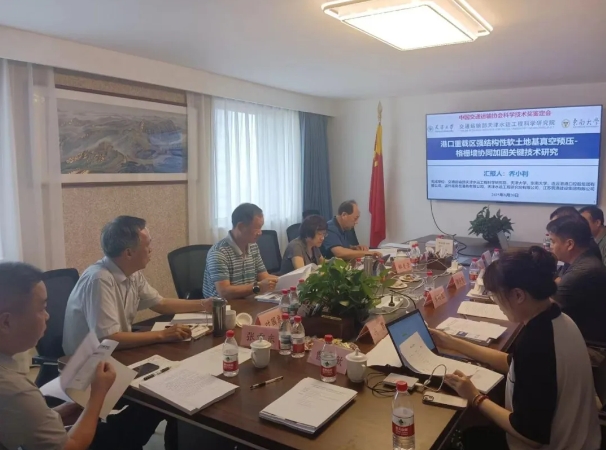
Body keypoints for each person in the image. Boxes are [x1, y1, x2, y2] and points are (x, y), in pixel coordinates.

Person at [430, 247, 600, 450]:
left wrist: (475, 397)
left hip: (551, 444)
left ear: (518, 295)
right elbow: (512, 362)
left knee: (466, 434)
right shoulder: (557, 320)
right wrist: (451, 342)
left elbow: (530, 435)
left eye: (496, 296)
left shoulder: (537, 345)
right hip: (581, 439)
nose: (497, 303)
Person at [0, 261, 168, 450]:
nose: (47, 316)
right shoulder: (14, 389)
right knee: (146, 413)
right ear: (6, 322)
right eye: (41, 308)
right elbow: (71, 447)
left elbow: (24, 419)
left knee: (142, 412)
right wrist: (97, 395)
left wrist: (64, 411)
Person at [63, 216, 213, 355]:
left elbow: (161, 304)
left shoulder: (131, 272)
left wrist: (205, 304)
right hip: (86, 362)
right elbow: (108, 338)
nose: (151, 250)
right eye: (147, 245)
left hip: (114, 351)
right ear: (129, 253)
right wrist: (162, 335)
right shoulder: (99, 279)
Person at [547, 215, 606, 342]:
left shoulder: (582, 272)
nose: (551, 247)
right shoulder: (586, 257)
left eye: (553, 242)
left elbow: (543, 308)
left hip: (590, 344)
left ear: (569, 244)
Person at [203, 203, 279, 300]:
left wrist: (287, 281)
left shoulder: (253, 246)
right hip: (225, 306)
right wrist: (258, 287)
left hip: (249, 302)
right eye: (257, 228)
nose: (260, 233)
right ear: (241, 226)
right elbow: (224, 292)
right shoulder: (219, 253)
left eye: (261, 227)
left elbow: (264, 276)